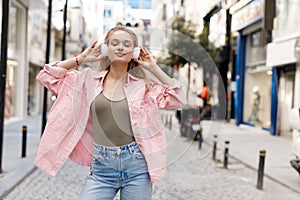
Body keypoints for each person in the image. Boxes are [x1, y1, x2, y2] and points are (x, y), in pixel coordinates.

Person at [34, 26, 187, 199]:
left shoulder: (144, 88)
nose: (120, 47)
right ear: (106, 48)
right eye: (115, 43)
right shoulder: (86, 81)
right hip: (102, 168)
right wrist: (81, 59)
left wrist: (153, 67)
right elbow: (46, 76)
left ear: (135, 52)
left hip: (137, 167)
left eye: (126, 44)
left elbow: (178, 98)